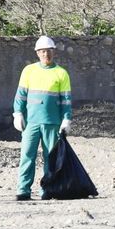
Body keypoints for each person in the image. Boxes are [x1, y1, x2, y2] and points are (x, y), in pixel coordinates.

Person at [12, 35, 72, 201]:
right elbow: (21, 96)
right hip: (31, 123)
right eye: (43, 51)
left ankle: (48, 190)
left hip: (52, 123)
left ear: (54, 52)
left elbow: (66, 100)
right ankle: (23, 190)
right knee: (27, 156)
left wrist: (66, 119)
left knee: (50, 159)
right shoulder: (29, 71)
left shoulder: (61, 74)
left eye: (49, 51)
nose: (46, 54)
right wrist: (17, 113)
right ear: (37, 53)